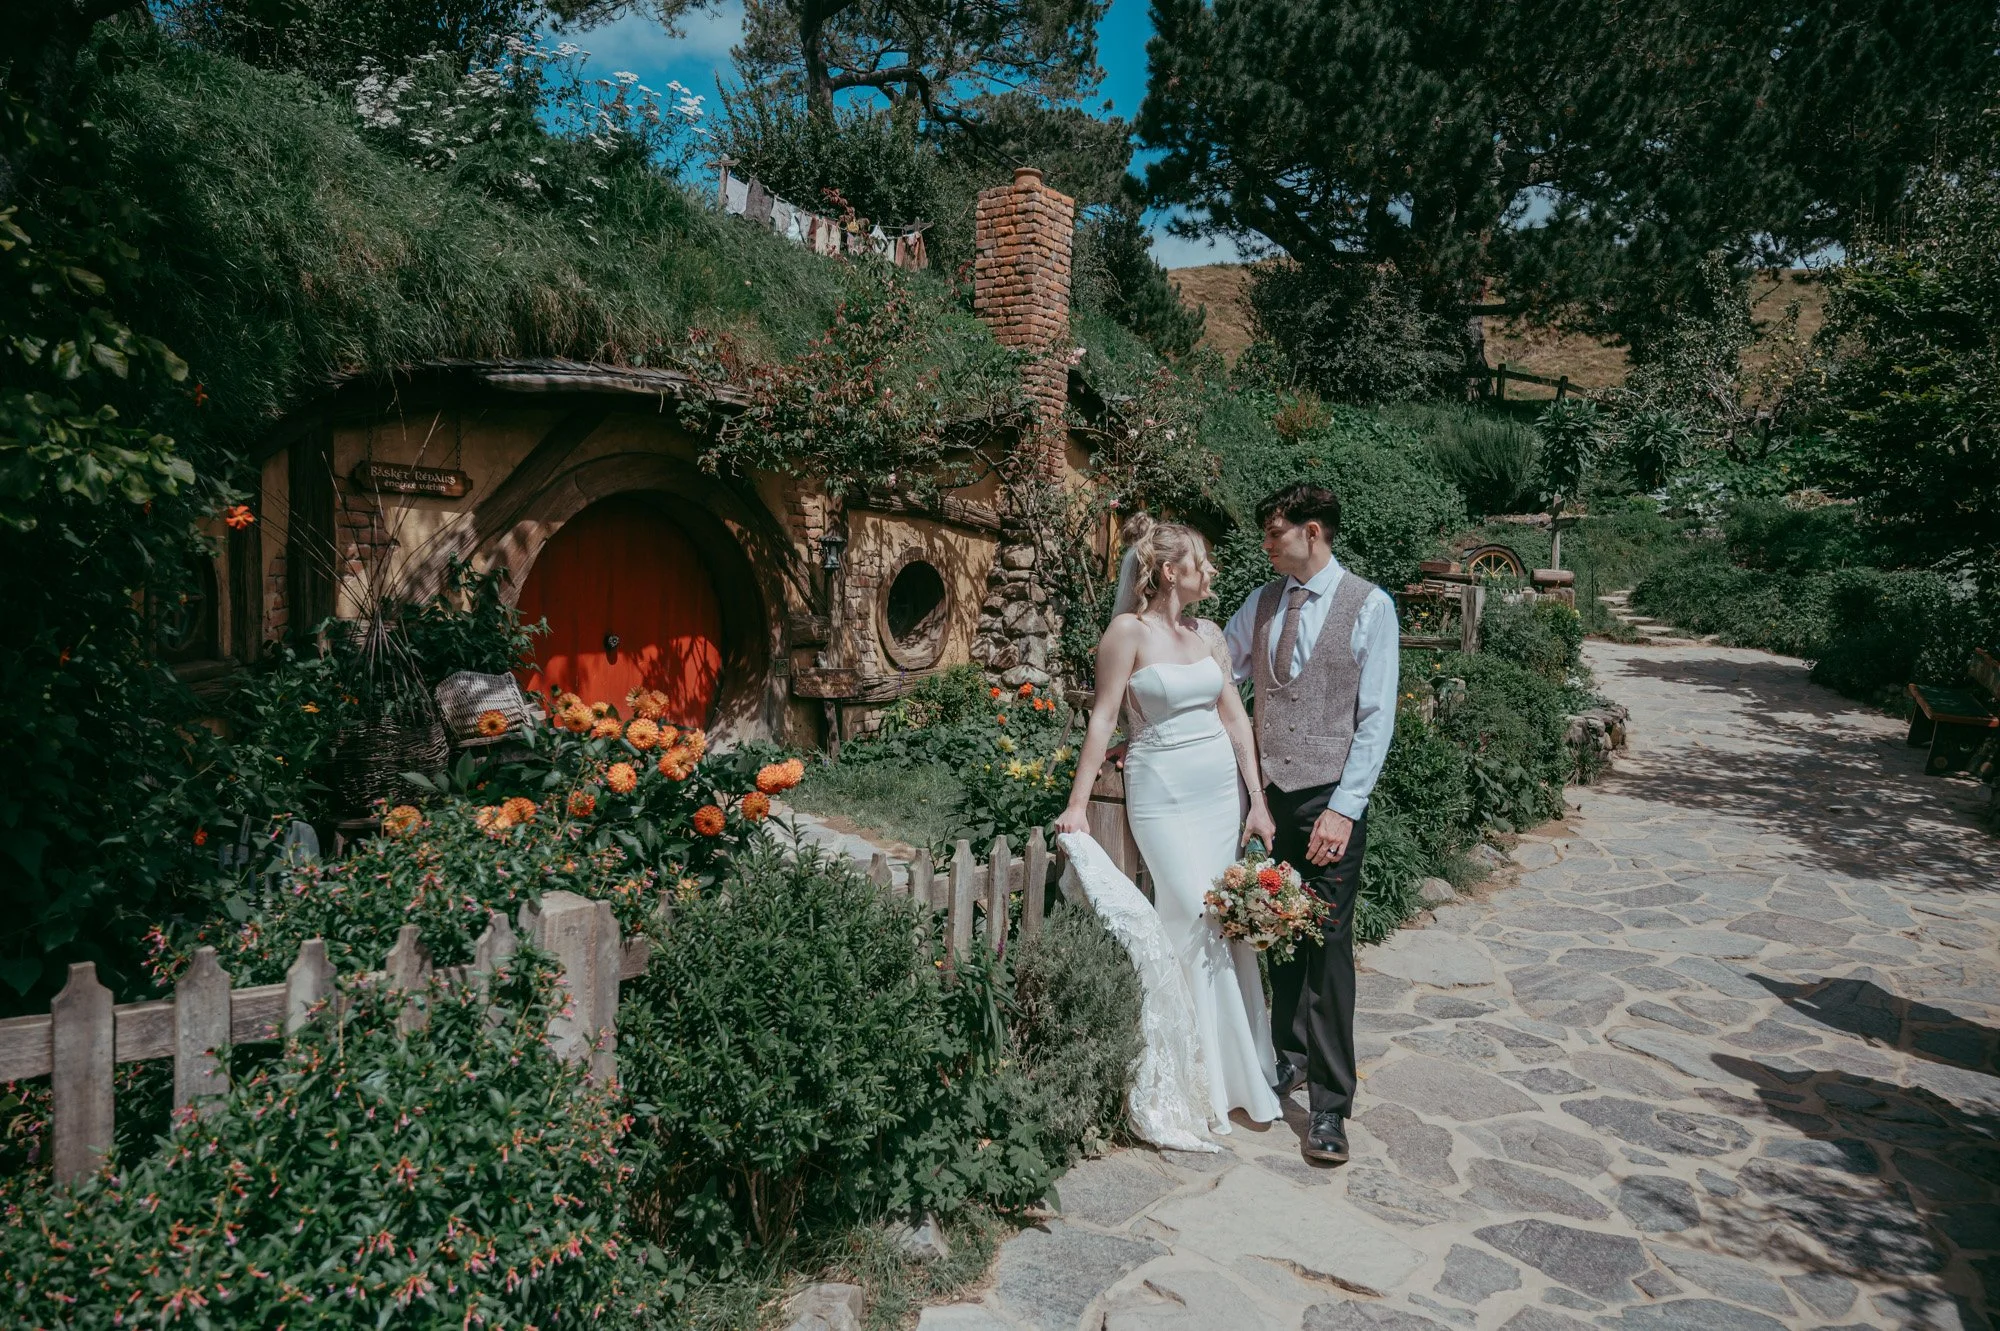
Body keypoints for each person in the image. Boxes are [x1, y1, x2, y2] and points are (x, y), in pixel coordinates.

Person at [1056, 513, 1283, 1132]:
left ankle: (1239, 1073)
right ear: (1166, 571)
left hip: (1219, 792)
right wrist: (1077, 803)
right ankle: (1191, 1075)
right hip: (1161, 788)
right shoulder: (1126, 632)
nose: (1211, 571)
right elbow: (1104, 718)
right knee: (1185, 908)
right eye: (1200, 562)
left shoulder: (1208, 634)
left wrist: (1257, 801)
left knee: (1224, 918)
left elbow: (1235, 718)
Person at [1223, 483, 1399, 1164]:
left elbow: (1375, 718)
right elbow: (1220, 671)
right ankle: (1288, 1056)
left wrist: (1344, 809)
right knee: (1277, 934)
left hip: (1329, 799)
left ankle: (1329, 1106)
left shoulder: (1369, 606)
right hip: (1269, 798)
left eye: (1275, 533)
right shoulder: (1263, 602)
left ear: (1313, 532)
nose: (1266, 545)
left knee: (1326, 949)